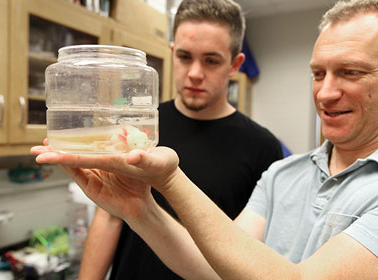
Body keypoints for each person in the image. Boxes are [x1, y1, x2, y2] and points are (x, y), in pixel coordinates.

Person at [31, 0, 378, 279]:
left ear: (234, 64)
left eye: (351, 71)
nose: (326, 92)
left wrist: (168, 180)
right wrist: (142, 211)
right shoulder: (283, 176)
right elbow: (217, 265)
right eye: (318, 73)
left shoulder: (263, 149)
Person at [73, 0, 283, 279]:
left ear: (235, 64)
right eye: (185, 57)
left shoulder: (263, 147)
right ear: (172, 53)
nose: (195, 73)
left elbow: (250, 253)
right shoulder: (137, 127)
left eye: (210, 60)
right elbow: (110, 216)